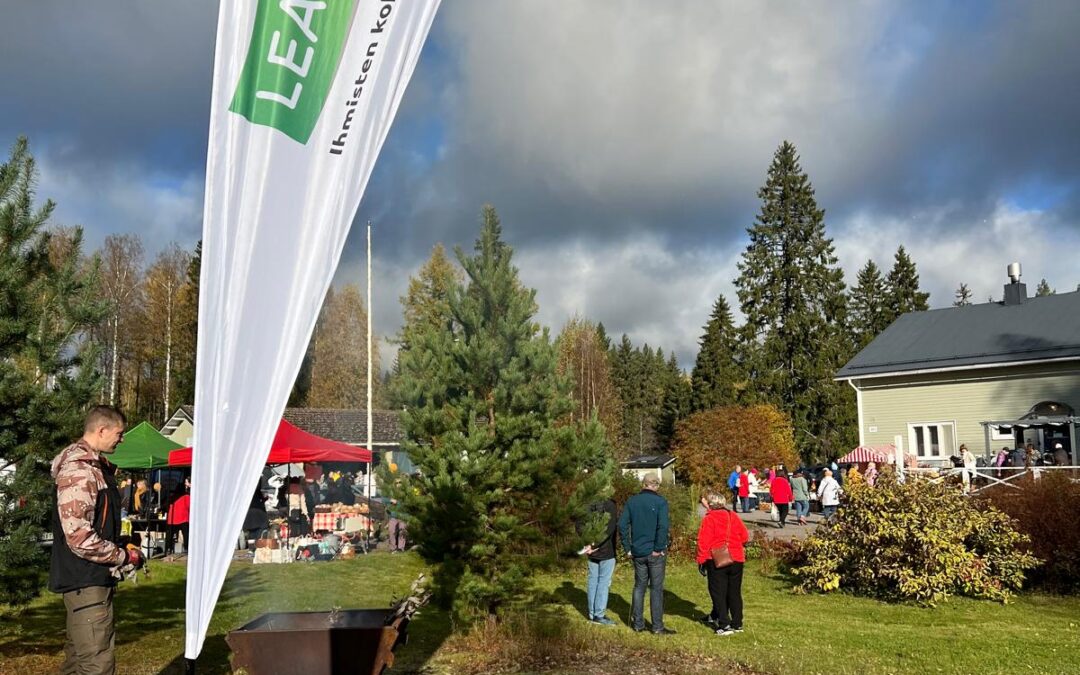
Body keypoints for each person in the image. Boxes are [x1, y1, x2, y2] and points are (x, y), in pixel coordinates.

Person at [49, 405, 145, 675]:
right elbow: (79, 536)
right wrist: (122, 556)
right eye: (119, 433)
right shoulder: (80, 471)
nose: (122, 438)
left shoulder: (94, 467)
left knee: (78, 660)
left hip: (88, 578)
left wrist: (121, 540)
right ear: (101, 430)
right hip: (85, 579)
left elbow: (94, 524)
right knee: (96, 665)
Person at [618, 473, 674, 635]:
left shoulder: (632, 501)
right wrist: (658, 548)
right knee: (656, 589)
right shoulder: (660, 502)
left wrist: (628, 547)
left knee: (639, 587)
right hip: (654, 552)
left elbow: (622, 525)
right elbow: (663, 527)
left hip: (638, 551)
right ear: (655, 485)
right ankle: (657, 627)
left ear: (643, 484)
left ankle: (638, 624)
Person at [696, 492, 749, 635]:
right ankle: (737, 623)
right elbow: (744, 536)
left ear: (711, 504)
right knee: (734, 592)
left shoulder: (710, 518)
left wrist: (701, 561)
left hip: (717, 559)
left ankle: (723, 624)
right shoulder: (733, 516)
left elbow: (703, 542)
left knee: (718, 592)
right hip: (737, 558)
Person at [580, 497, 618, 625]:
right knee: (603, 582)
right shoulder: (610, 505)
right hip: (605, 550)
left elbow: (579, 524)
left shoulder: (588, 502)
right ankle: (599, 615)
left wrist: (588, 544)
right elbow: (609, 529)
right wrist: (594, 545)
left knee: (593, 580)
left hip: (591, 550)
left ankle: (592, 614)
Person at [165, 477, 190, 556]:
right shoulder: (186, 496)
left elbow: (166, 506)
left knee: (170, 535)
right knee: (185, 534)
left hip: (172, 518)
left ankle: (168, 548)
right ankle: (186, 548)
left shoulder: (172, 496)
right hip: (183, 518)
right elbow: (189, 506)